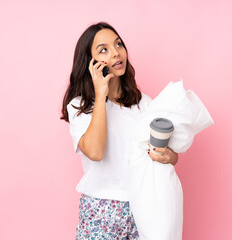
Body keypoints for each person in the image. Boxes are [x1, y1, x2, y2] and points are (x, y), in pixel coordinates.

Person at [60, 21, 179, 239]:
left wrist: (170, 156)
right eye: (103, 50)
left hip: (142, 207)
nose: (116, 53)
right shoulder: (81, 106)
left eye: (118, 45)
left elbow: (169, 156)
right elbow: (95, 152)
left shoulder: (144, 104)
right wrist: (100, 94)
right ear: (90, 63)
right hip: (100, 212)